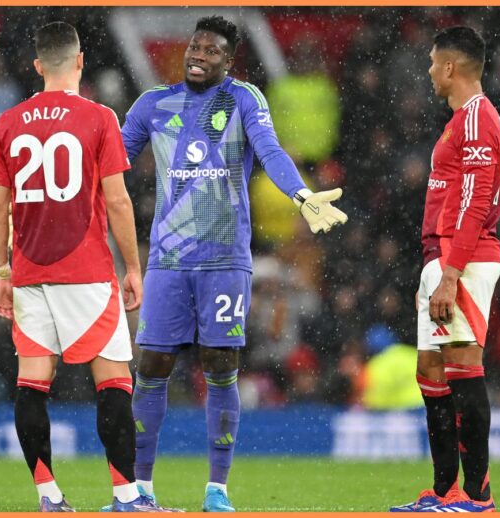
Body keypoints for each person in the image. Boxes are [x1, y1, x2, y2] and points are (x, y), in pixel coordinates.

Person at [117, 15, 348, 512]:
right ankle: (140, 491)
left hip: (225, 260)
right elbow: (110, 161)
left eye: (211, 50)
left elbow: (270, 151)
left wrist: (302, 196)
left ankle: (217, 489)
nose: (199, 55)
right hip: (169, 261)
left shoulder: (245, 100)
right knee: (152, 366)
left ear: (229, 59)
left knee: (221, 368)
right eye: (194, 47)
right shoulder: (153, 104)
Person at [0, 21, 170, 513]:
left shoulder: (8, 123)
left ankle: (49, 496)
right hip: (86, 271)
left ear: (38, 65)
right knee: (112, 383)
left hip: (27, 271)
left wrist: (0, 274)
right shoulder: (98, 118)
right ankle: (127, 497)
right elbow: (118, 201)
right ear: (81, 61)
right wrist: (134, 267)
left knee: (31, 384)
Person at [389, 26, 500, 513]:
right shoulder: (460, 120)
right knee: (431, 369)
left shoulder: (478, 118)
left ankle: (476, 496)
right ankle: (443, 493)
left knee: (463, 365)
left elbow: (477, 201)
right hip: (441, 257)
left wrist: (453, 271)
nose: (430, 71)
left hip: (466, 257)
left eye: (434, 63)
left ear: (452, 67)